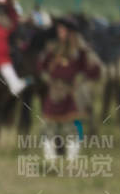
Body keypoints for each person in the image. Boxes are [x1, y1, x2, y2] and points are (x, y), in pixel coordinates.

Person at [35, 15, 101, 168]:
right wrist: (48, 79)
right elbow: (41, 66)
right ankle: (50, 158)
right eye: (59, 29)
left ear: (70, 32)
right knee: (48, 125)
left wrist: (80, 79)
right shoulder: (52, 48)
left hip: (72, 93)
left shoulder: (81, 51)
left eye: (63, 30)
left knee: (72, 126)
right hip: (54, 92)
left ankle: (73, 158)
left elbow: (92, 70)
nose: (60, 32)